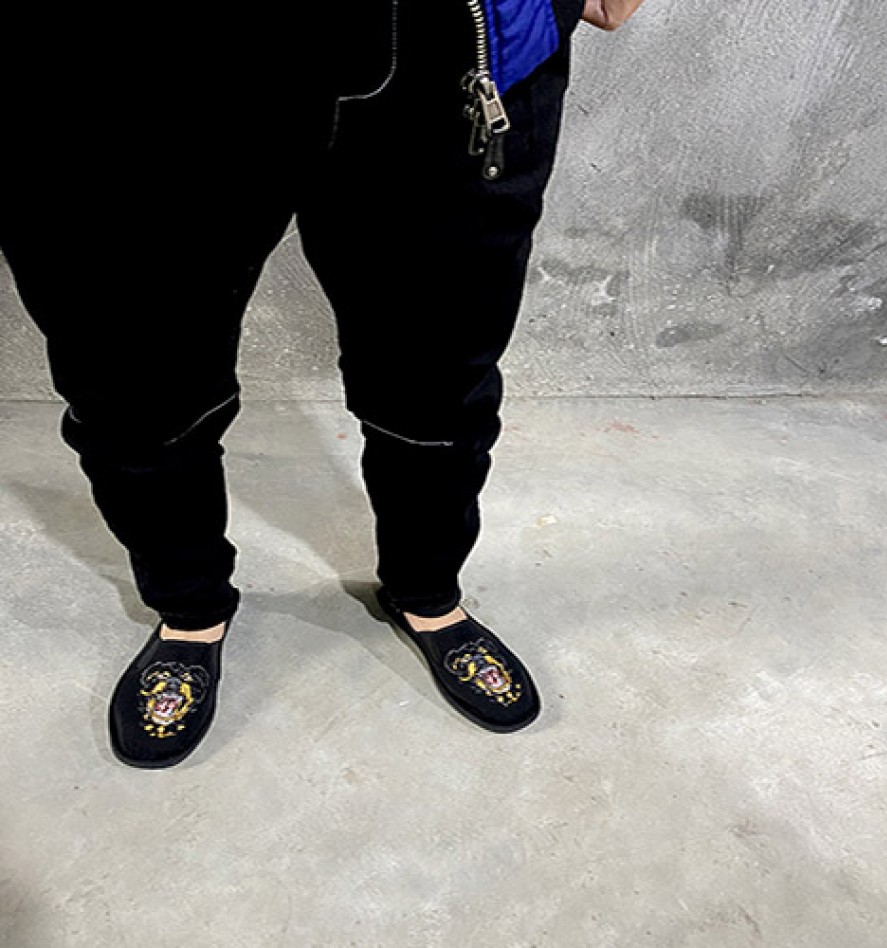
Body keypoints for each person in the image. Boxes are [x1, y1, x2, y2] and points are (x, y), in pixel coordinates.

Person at [0, 0, 645, 768]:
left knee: (437, 378)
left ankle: (427, 593)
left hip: (445, 45)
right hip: (115, 63)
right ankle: (190, 610)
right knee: (137, 387)